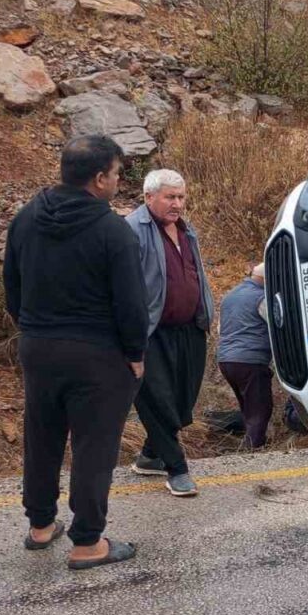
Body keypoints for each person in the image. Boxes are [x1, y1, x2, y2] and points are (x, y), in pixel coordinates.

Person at [3, 136, 148, 570]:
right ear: (99, 178)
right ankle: (87, 542)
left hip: (38, 346)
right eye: (117, 174)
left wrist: (33, 328)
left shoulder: (27, 217)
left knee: (42, 434)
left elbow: (12, 284)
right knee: (93, 445)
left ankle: (40, 524)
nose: (118, 181)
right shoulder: (112, 230)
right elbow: (131, 303)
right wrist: (135, 352)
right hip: (97, 353)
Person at [126, 169, 214, 498]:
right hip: (151, 333)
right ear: (149, 197)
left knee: (182, 401)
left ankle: (150, 456)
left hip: (190, 329)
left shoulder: (186, 230)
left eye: (181, 197)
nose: (177, 203)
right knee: (157, 400)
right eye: (169, 197)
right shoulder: (131, 230)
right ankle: (177, 469)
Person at [218, 263, 273, 449]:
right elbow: (277, 325)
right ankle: (253, 448)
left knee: (248, 406)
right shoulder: (261, 297)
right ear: (266, 279)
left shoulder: (229, 296)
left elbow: (220, 329)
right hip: (250, 360)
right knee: (260, 407)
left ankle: (252, 442)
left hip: (225, 360)